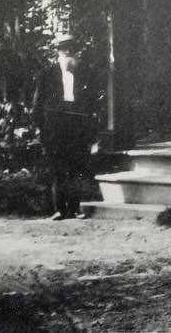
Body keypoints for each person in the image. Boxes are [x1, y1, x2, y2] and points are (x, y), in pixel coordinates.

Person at [40, 35, 95, 220]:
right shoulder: (47, 74)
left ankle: (75, 208)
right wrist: (42, 130)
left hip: (77, 125)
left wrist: (90, 130)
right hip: (55, 127)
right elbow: (37, 105)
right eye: (64, 49)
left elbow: (91, 103)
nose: (69, 53)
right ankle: (59, 209)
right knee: (58, 168)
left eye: (72, 49)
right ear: (58, 52)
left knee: (76, 167)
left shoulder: (84, 73)